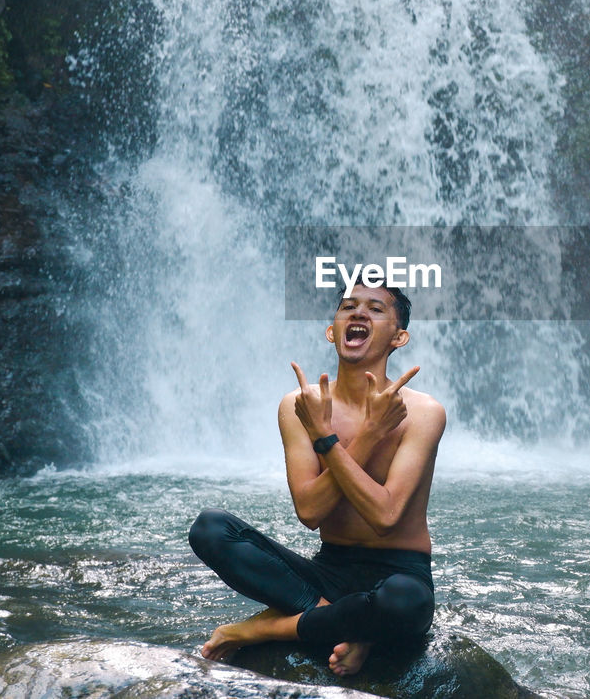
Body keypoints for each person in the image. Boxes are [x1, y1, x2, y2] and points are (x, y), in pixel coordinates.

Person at [188, 282, 446, 677]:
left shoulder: (424, 412)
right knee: (210, 529)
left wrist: (339, 438)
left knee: (403, 602)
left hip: (400, 571)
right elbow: (309, 511)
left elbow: (385, 514)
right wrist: (360, 436)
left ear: (399, 337)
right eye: (348, 307)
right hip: (328, 572)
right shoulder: (301, 407)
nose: (358, 313)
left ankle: (267, 628)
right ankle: (353, 625)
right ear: (332, 330)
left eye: (375, 309)